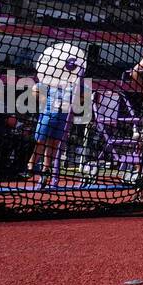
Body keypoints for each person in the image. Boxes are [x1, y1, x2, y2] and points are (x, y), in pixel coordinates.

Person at [28, 41, 87, 189]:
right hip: (49, 113)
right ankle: (31, 165)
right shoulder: (49, 79)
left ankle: (46, 170)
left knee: (54, 143)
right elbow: (35, 90)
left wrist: (76, 99)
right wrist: (42, 99)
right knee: (41, 140)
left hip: (64, 115)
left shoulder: (75, 82)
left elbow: (83, 97)